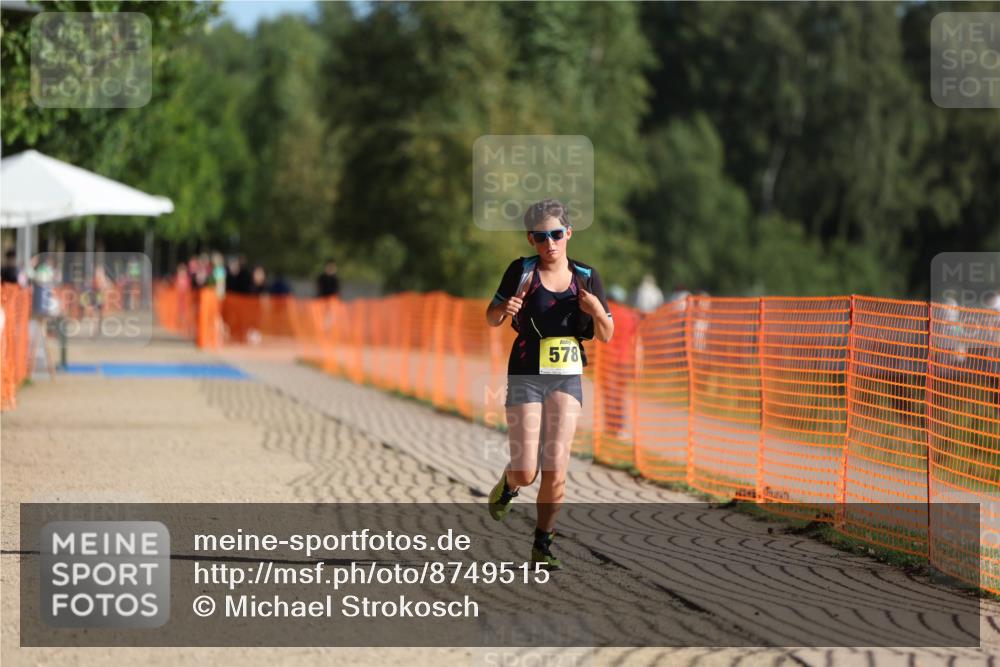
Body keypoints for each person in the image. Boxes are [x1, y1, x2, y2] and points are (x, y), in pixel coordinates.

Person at [485, 198, 613, 570]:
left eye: (556, 234)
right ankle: (510, 484)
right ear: (531, 239)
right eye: (541, 237)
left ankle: (543, 544)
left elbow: (607, 333)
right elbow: (491, 317)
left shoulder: (587, 276)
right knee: (528, 470)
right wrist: (504, 309)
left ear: (568, 233)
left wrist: (595, 311)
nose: (549, 243)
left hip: (566, 377)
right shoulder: (521, 271)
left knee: (556, 465)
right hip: (525, 372)